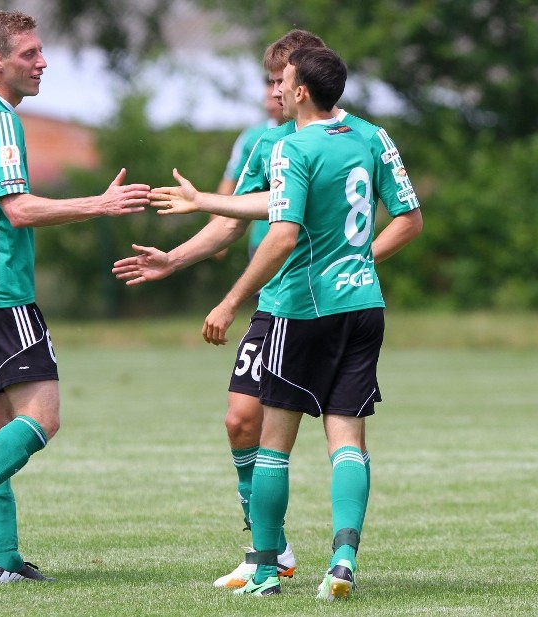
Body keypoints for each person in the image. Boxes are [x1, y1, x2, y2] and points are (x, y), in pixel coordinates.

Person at [112, 29, 422, 591]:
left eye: (278, 80)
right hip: (356, 304)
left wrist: (232, 296)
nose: (271, 92)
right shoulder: (354, 138)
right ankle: (333, 559)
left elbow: (279, 226)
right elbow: (238, 219)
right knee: (270, 425)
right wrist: (178, 254)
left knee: (274, 440)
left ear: (299, 84)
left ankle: (265, 563)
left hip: (292, 302)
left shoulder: (293, 146)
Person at [0, 10, 149, 586]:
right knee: (42, 417)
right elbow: (16, 210)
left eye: (42, 52)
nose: (43, 62)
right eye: (30, 54)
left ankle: (7, 562)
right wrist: (98, 205)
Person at [216, 79, 284, 262]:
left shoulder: (312, 135)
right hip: (262, 241)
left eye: (273, 98)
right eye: (266, 98)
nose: (268, 105)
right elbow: (230, 180)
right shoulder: (253, 137)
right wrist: (217, 229)